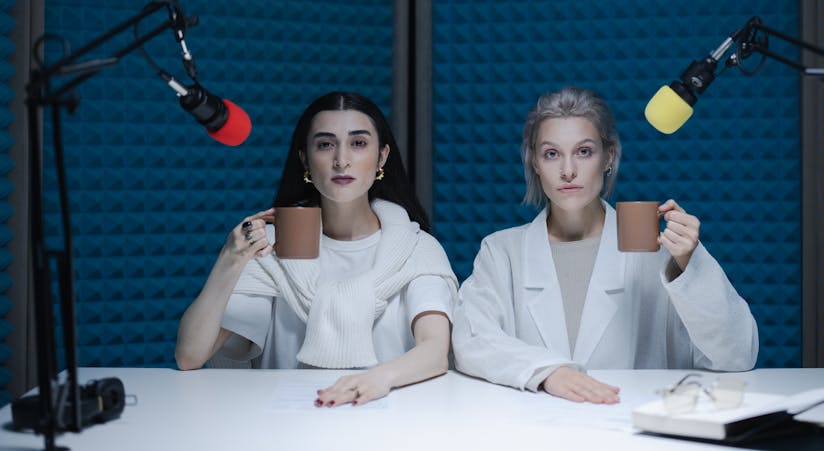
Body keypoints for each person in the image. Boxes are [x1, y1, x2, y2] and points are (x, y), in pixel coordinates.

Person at [451, 86, 758, 404]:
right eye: (552, 153)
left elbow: (736, 356)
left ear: (608, 156)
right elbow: (470, 338)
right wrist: (548, 372)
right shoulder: (502, 252)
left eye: (584, 151)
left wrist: (688, 263)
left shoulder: (653, 250)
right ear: (535, 163)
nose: (568, 170)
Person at [176, 91, 457, 407]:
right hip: (287, 429)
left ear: (381, 157)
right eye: (325, 144)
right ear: (305, 160)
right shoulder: (271, 247)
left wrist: (376, 379)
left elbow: (434, 351)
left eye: (358, 143)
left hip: (390, 426)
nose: (341, 160)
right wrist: (231, 259)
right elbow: (190, 355)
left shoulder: (416, 248)